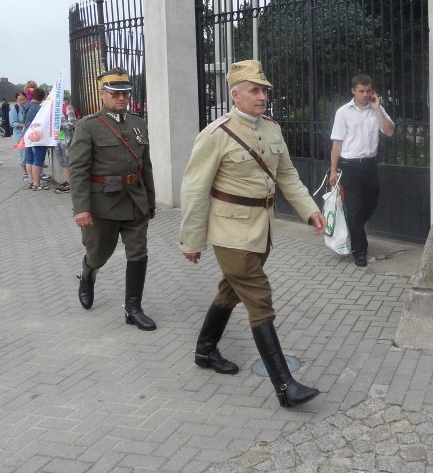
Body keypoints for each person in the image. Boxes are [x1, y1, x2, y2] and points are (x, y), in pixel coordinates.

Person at [180, 59, 326, 408]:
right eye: (255, 90)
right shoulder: (216, 134)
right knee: (258, 296)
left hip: (260, 228)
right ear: (236, 95)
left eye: (265, 90)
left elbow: (287, 176)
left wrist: (310, 210)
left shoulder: (272, 130)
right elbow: (194, 190)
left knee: (230, 291)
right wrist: (192, 240)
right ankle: (284, 386)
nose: (262, 96)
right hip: (229, 230)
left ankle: (205, 350)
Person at [69, 68, 156, 330]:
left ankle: (133, 308)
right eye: (115, 93)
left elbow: (146, 165)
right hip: (102, 205)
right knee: (98, 254)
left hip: (135, 200)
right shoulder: (89, 125)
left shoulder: (138, 123)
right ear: (103, 95)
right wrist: (81, 208)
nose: (121, 97)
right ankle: (88, 274)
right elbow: (78, 170)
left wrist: (150, 200)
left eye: (125, 92)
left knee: (138, 252)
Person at [329, 73, 395, 266]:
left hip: (369, 165)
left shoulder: (377, 109)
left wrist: (377, 109)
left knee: (371, 202)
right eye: (361, 91)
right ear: (353, 91)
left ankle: (352, 227)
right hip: (349, 167)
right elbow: (337, 144)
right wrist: (333, 171)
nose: (365, 94)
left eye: (368, 91)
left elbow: (390, 132)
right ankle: (360, 251)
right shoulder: (343, 112)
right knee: (356, 209)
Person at [23, 87, 48, 189]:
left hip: (27, 134)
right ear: (42, 97)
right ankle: (37, 183)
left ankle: (31, 180)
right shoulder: (39, 108)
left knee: (29, 159)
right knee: (38, 159)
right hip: (36, 136)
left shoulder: (27, 105)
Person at [53, 100, 77, 194]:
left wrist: (59, 126)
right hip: (58, 139)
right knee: (62, 162)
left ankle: (70, 183)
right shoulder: (52, 110)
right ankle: (65, 181)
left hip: (67, 139)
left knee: (68, 161)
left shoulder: (67, 107)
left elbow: (73, 122)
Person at [9, 92, 28, 181]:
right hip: (19, 134)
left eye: (24, 99)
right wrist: (23, 125)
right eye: (20, 100)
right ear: (17, 100)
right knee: (23, 153)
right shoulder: (14, 109)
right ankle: (25, 173)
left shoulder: (28, 107)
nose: (22, 101)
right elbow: (12, 123)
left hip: (29, 134)